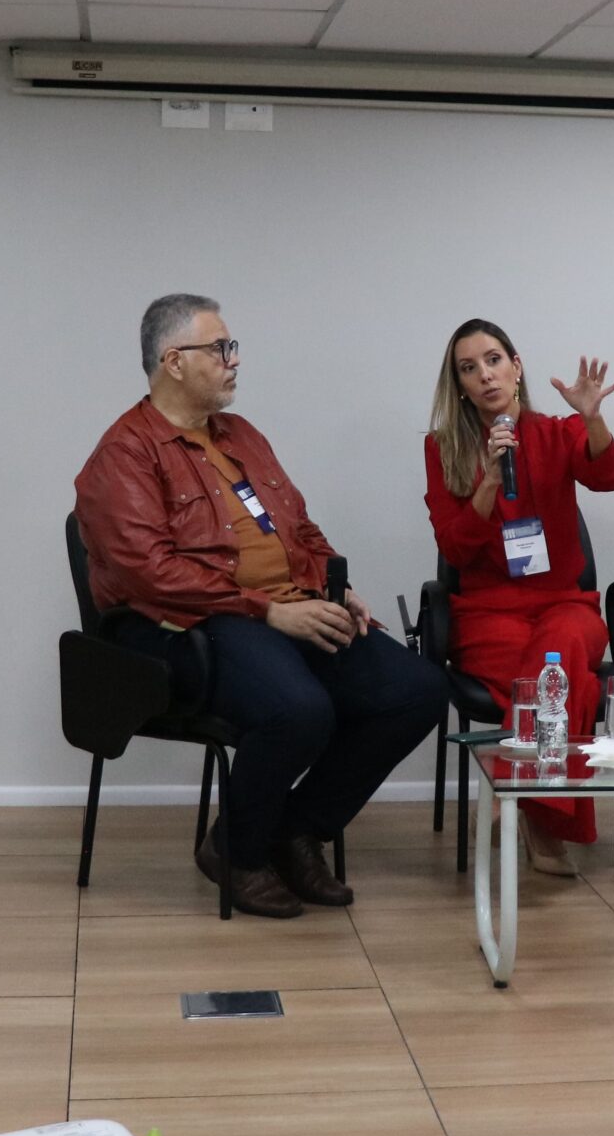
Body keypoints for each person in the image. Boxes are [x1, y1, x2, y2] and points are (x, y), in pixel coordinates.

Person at [74, 293, 447, 919]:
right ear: (174, 361)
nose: (234, 359)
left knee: (415, 690)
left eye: (232, 346)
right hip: (184, 628)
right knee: (299, 709)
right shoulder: (124, 455)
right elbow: (150, 573)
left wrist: (334, 584)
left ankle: (294, 830)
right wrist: (267, 611)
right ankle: (239, 853)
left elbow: (299, 528)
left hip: (282, 613)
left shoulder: (241, 436)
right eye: (219, 348)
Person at [420, 319, 614, 875]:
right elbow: (456, 550)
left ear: (517, 366)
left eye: (493, 360)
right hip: (489, 614)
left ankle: (522, 798)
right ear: (459, 385)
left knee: (555, 658)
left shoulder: (557, 433)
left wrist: (592, 416)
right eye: (469, 368)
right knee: (565, 680)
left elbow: (609, 477)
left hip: (566, 604)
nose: (485, 375)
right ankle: (545, 820)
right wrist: (488, 477)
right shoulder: (442, 449)